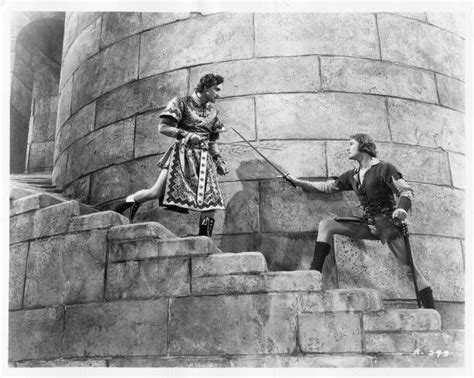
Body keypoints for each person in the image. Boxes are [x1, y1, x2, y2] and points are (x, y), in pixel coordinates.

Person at [286, 133, 435, 309]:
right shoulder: (353, 175)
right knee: (326, 225)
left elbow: (406, 191)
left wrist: (401, 208)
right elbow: (328, 187)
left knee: (409, 269)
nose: (347, 148)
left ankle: (431, 310)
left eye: (351, 144)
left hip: (389, 225)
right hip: (368, 224)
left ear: (363, 146)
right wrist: (297, 182)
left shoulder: (384, 168)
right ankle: (314, 272)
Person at [114, 73, 229, 237]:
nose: (219, 93)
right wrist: (187, 135)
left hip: (204, 160)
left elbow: (212, 141)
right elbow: (163, 127)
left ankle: (204, 239)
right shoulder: (181, 102)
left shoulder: (213, 112)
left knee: (211, 201)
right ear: (205, 87)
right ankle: (125, 205)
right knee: (155, 192)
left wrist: (218, 160)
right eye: (216, 89)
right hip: (182, 156)